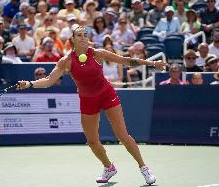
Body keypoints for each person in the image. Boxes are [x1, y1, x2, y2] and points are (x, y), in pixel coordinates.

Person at [17, 25, 167, 185]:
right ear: (72, 40)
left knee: (122, 135)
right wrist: (29, 84)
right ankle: (109, 168)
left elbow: (125, 61)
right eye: (79, 35)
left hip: (106, 94)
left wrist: (152, 63)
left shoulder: (97, 53)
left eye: (85, 35)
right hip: (88, 100)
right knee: (92, 141)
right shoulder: (66, 61)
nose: (83, 37)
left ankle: (144, 168)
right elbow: (48, 81)